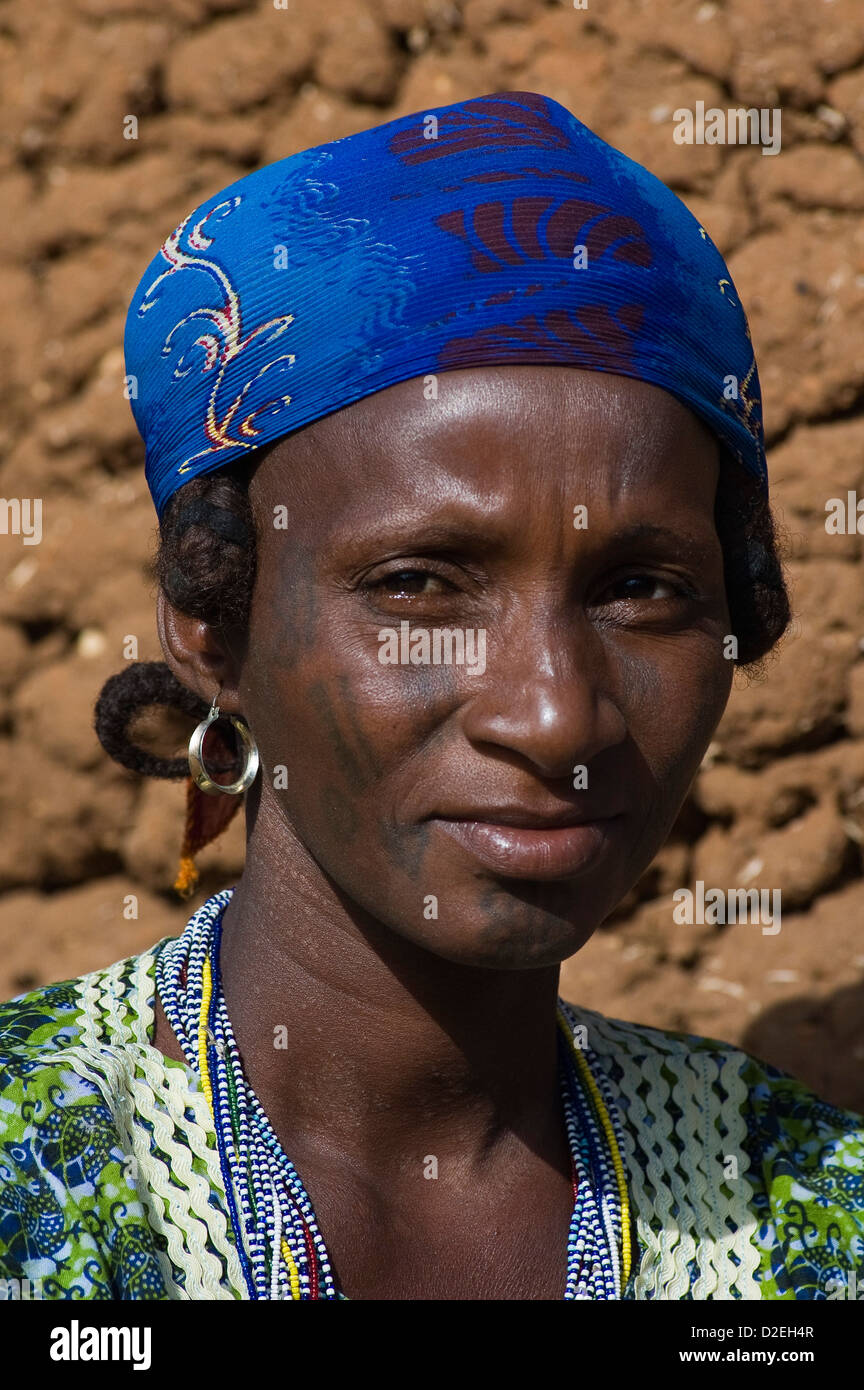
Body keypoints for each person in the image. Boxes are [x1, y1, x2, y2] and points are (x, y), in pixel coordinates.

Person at [1, 90, 861, 1302]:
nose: (557, 717)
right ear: (212, 627)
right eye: (418, 585)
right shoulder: (28, 1172)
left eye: (643, 589)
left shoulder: (805, 1219)